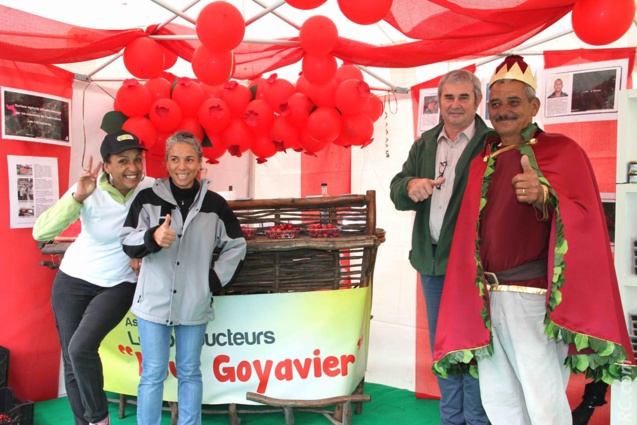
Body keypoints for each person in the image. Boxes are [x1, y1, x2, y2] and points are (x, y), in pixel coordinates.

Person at [432, 55, 635, 425]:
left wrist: (544, 196)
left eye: (513, 102)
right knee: (500, 397)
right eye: (496, 103)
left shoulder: (561, 151)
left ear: (534, 106)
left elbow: (586, 219)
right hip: (486, 299)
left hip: (533, 298)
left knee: (542, 398)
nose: (503, 111)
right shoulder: (481, 159)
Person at [120, 131, 247, 425]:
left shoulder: (215, 205)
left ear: (200, 163)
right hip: (153, 301)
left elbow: (236, 245)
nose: (182, 166)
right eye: (175, 159)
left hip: (194, 303)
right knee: (153, 372)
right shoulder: (147, 198)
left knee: (189, 371)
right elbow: (127, 241)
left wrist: (211, 282)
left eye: (189, 159)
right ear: (166, 162)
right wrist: (153, 236)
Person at [32, 129, 154, 425]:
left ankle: (99, 419)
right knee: (72, 360)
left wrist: (144, 250)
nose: (133, 167)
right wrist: (76, 197)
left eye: (137, 159)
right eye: (123, 161)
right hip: (73, 280)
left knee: (81, 347)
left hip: (119, 283)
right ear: (107, 165)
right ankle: (83, 422)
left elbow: (163, 229)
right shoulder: (88, 188)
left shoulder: (151, 188)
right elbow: (41, 232)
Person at [390, 69, 490, 425]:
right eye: (449, 97)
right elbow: (398, 189)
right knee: (445, 347)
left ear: (478, 101)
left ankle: (477, 419)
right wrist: (411, 185)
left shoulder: (492, 143)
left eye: (464, 97)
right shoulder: (425, 143)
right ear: (439, 101)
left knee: (476, 348)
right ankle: (452, 418)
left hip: (476, 267)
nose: (456, 104)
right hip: (432, 264)